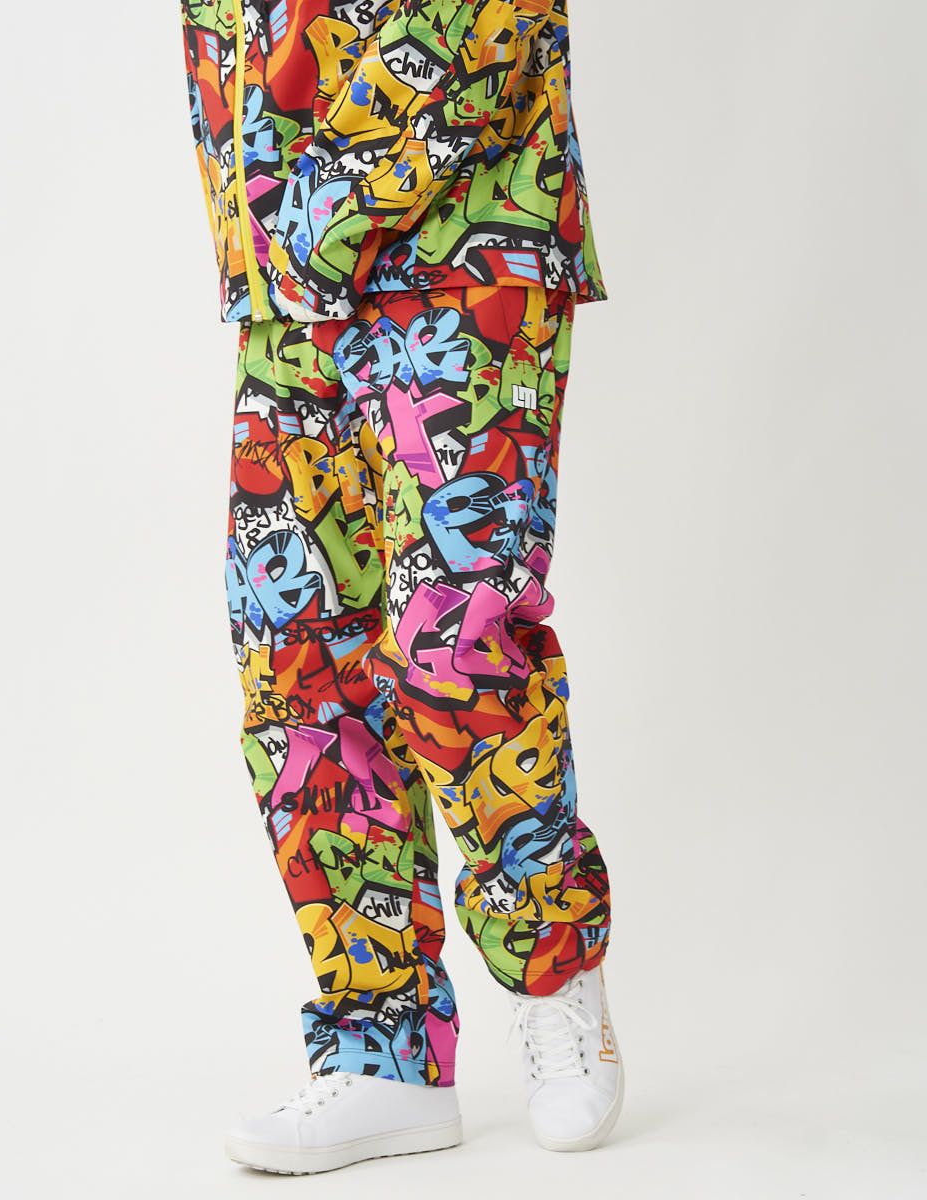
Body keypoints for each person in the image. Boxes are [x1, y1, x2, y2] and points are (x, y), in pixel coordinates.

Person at [179, 0, 622, 1174]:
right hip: (285, 270)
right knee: (299, 664)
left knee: (453, 640)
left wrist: (321, 201)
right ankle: (383, 1051)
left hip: (465, 236)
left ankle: (555, 974)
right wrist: (265, 221)